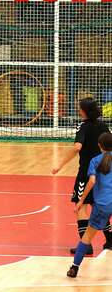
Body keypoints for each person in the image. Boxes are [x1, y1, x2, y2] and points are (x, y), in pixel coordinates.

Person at [52, 98, 111, 254]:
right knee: (100, 206)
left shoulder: (83, 126)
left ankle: (86, 246)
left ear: (84, 111)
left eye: (79, 108)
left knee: (81, 206)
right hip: (103, 170)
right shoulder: (104, 126)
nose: (78, 111)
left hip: (86, 172)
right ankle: (110, 242)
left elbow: (77, 147)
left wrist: (60, 164)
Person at [67, 132, 112, 278]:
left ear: (100, 146)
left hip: (102, 205)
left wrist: (81, 200)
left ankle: (74, 267)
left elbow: (92, 182)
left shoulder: (95, 161)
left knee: (87, 237)